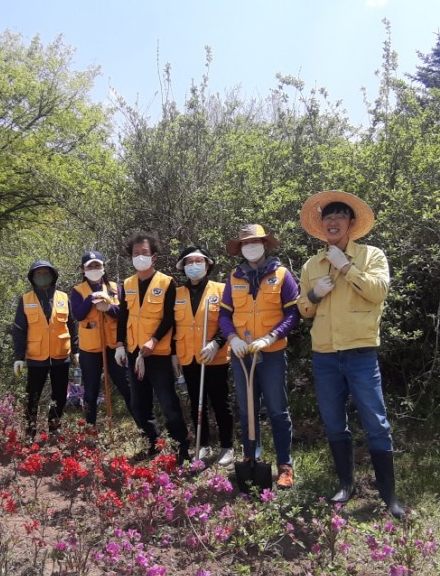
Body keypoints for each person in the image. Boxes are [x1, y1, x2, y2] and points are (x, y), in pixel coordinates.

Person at [296, 190, 405, 518]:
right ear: (321, 225)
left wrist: (347, 268)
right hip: (325, 355)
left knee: (376, 422)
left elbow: (378, 292)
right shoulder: (312, 264)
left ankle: (389, 497)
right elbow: (303, 309)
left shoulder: (372, 256)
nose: (333, 221)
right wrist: (314, 294)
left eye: (339, 215)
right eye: (328, 217)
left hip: (360, 353)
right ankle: (346, 485)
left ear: (351, 223)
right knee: (333, 422)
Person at [218, 224, 301, 488]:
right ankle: (251, 459)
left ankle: (284, 465)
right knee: (247, 410)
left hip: (272, 353)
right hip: (242, 354)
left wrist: (271, 336)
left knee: (277, 410)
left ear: (265, 244)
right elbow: (224, 315)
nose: (250, 247)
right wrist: (232, 338)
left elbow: (293, 314)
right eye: (245, 244)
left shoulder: (282, 274)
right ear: (240, 249)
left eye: (255, 242)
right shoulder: (234, 276)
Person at [114, 231, 192, 463]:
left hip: (158, 354)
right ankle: (153, 443)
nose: (140, 257)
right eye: (136, 253)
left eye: (144, 253)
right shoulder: (127, 284)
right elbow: (123, 316)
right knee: (139, 405)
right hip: (134, 353)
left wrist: (154, 340)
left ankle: (182, 448)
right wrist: (120, 345)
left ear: (154, 256)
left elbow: (170, 318)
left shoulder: (167, 282)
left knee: (168, 403)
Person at [173, 246, 234, 467]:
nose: (194, 266)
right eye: (189, 262)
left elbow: (229, 320)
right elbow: (173, 327)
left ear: (207, 264)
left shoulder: (221, 289)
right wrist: (173, 354)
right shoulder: (177, 293)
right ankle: (204, 443)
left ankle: (227, 446)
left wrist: (217, 343)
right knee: (196, 403)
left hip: (214, 357)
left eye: (198, 261)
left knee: (220, 402)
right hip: (188, 356)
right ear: (183, 267)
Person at [11, 260, 78, 441]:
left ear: (53, 275)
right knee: (33, 396)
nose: (42, 276)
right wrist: (19, 357)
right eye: (37, 274)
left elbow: (72, 326)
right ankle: (30, 432)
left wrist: (76, 350)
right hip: (36, 356)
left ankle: (54, 429)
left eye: (45, 273)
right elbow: (19, 329)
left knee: (59, 396)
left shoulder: (64, 298)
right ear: (32, 278)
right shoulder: (26, 299)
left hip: (60, 355)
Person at [69, 251, 135, 428]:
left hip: (114, 346)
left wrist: (108, 308)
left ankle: (144, 428)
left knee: (127, 388)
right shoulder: (78, 291)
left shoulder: (114, 288)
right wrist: (91, 299)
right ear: (83, 270)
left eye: (97, 265)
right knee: (90, 391)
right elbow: (78, 315)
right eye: (90, 266)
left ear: (104, 267)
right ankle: (90, 430)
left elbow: (123, 314)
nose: (94, 269)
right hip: (90, 349)